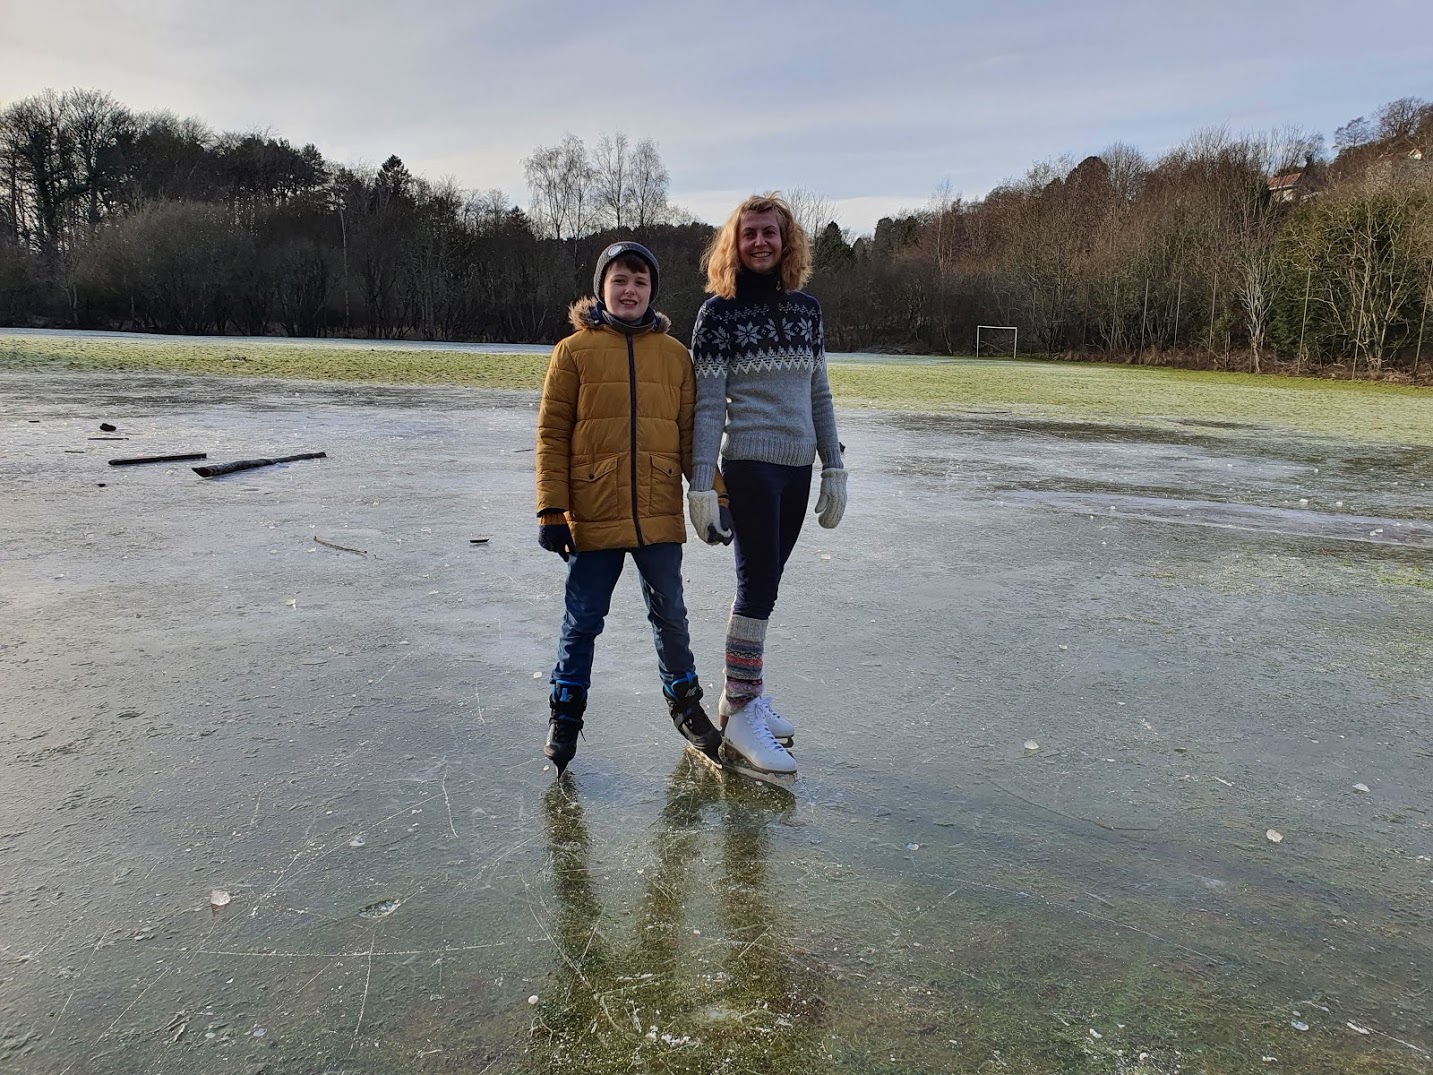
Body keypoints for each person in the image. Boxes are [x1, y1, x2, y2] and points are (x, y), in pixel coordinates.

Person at [534, 241, 729, 775]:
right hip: (593, 512)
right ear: (602, 288)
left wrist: (717, 494)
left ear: (652, 293)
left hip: (657, 509)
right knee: (582, 622)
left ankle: (686, 707)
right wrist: (552, 510)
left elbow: (694, 435)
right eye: (620, 280)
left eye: (640, 282)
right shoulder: (572, 352)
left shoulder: (674, 356)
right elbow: (552, 434)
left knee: (671, 616)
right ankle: (565, 716)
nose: (630, 290)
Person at [687, 194, 847, 783]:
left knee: (767, 586)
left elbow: (819, 394)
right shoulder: (718, 315)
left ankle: (739, 698)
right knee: (755, 588)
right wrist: (702, 485)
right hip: (750, 466)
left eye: (770, 233)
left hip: (797, 469)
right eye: (749, 233)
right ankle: (744, 710)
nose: (760, 242)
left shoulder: (807, 311)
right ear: (734, 243)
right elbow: (707, 406)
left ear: (787, 242)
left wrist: (835, 465)